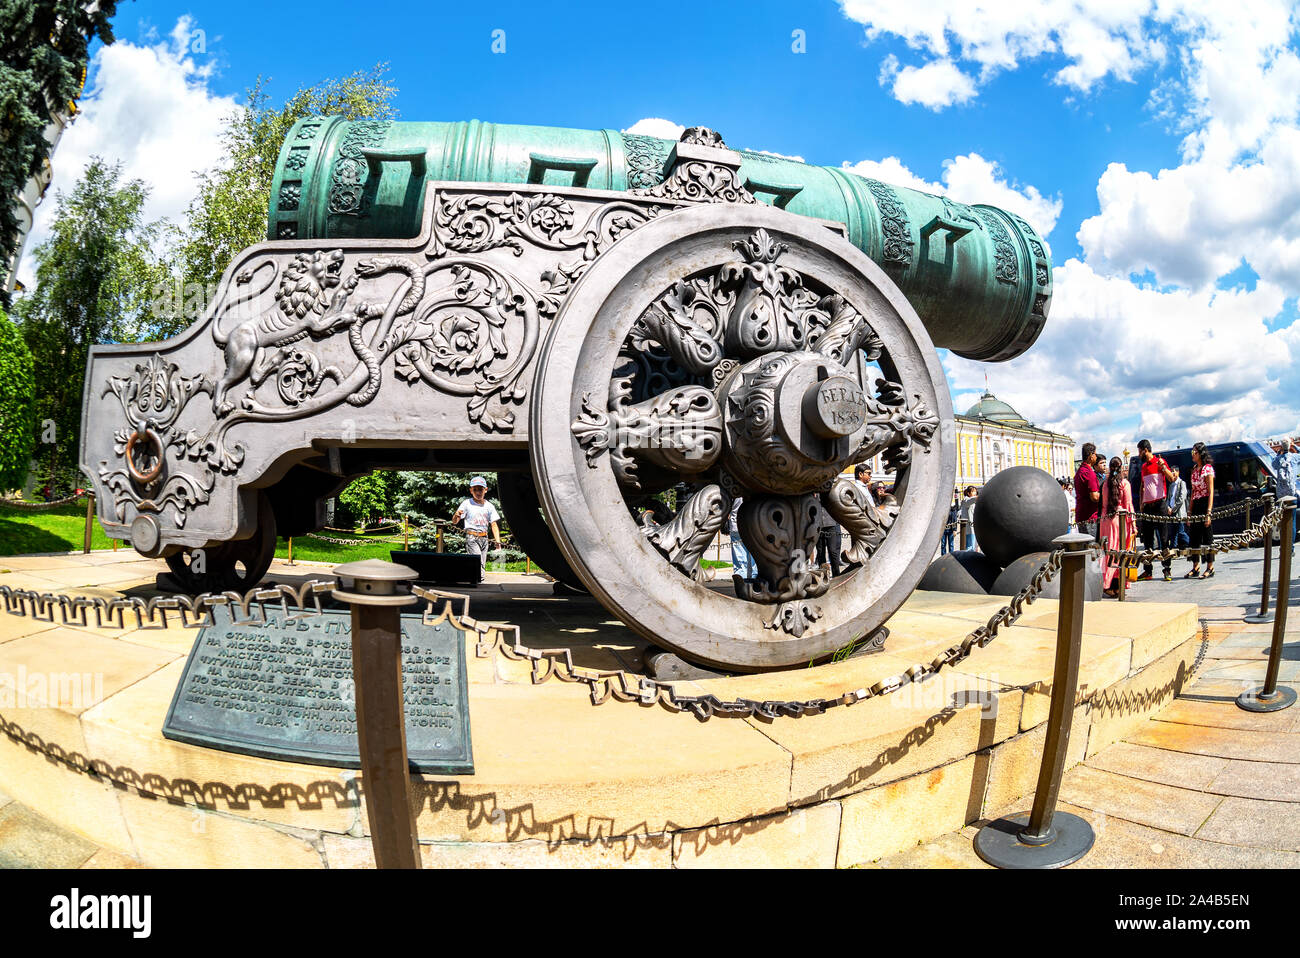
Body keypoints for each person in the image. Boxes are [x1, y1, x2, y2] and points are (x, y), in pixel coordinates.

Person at [1135, 439, 1175, 582]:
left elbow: (1171, 478)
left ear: (1145, 450)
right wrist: (1141, 503)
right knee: (1147, 541)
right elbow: (1142, 486)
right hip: (1147, 507)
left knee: (1164, 539)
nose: (1138, 454)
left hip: (1160, 505)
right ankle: (1148, 571)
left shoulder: (1160, 462)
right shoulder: (1144, 466)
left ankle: (1167, 570)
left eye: (1139, 451)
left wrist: (1163, 467)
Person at [1099, 456, 1136, 598]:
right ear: (1121, 468)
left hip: (1106, 520)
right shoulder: (1125, 483)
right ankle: (1118, 585)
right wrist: (1133, 524)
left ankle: (1107, 584)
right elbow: (1128, 505)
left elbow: (1103, 505)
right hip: (1120, 521)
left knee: (1108, 553)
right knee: (1121, 553)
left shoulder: (1105, 484)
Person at [452, 476, 502, 570]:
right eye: (475, 490)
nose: (478, 492)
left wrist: (497, 541)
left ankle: (479, 581)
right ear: (471, 490)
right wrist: (456, 515)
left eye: (480, 489)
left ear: (485, 490)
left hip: (484, 538)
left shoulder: (489, 506)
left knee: (482, 564)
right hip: (472, 537)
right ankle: (476, 581)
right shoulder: (467, 503)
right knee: (477, 561)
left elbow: (494, 525)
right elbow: (455, 522)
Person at [1186, 442, 1216, 578]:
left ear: (1200, 454)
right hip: (1196, 503)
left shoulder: (1207, 469)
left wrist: (1208, 512)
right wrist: (1189, 512)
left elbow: (1210, 492)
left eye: (1194, 452)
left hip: (1205, 503)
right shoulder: (1194, 470)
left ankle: (1210, 567)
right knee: (1194, 537)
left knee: (1207, 536)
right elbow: (1193, 492)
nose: (1192, 455)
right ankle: (1195, 566)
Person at [1268, 437, 1299, 554]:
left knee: (1281, 520)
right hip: (1291, 493)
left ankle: (1283, 547)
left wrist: (1280, 451)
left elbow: (1273, 464)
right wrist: (1293, 446)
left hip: (1281, 495)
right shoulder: (1295, 458)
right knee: (1292, 521)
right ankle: (1290, 549)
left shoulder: (1278, 460)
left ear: (1281, 446)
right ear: (1290, 446)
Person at [1074, 442, 1101, 540]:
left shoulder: (1080, 471)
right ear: (1090, 455)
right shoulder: (1089, 473)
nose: (1096, 456)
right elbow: (1094, 497)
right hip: (1089, 516)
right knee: (1091, 546)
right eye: (1095, 454)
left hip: (1081, 514)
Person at [728, 496, 757, 582]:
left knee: (739, 558)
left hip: (736, 525)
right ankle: (754, 579)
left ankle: (741, 580)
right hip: (753, 526)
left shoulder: (734, 493)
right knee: (754, 558)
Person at [1166, 464, 1190, 551]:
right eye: (1171, 471)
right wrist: (1168, 507)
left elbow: (1181, 498)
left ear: (1178, 472)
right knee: (1173, 532)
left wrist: (1173, 508)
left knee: (1180, 532)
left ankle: (1192, 544)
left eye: (1174, 471)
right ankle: (1173, 548)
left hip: (1179, 512)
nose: (1172, 473)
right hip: (1171, 512)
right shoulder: (1171, 485)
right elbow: (1168, 498)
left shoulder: (1182, 483)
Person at [958, 486, 977, 550]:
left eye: (975, 491)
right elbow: (972, 500)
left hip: (973, 527)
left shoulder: (972, 502)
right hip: (969, 528)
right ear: (968, 493)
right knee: (970, 547)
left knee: (973, 546)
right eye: (973, 491)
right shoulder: (966, 500)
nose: (975, 492)